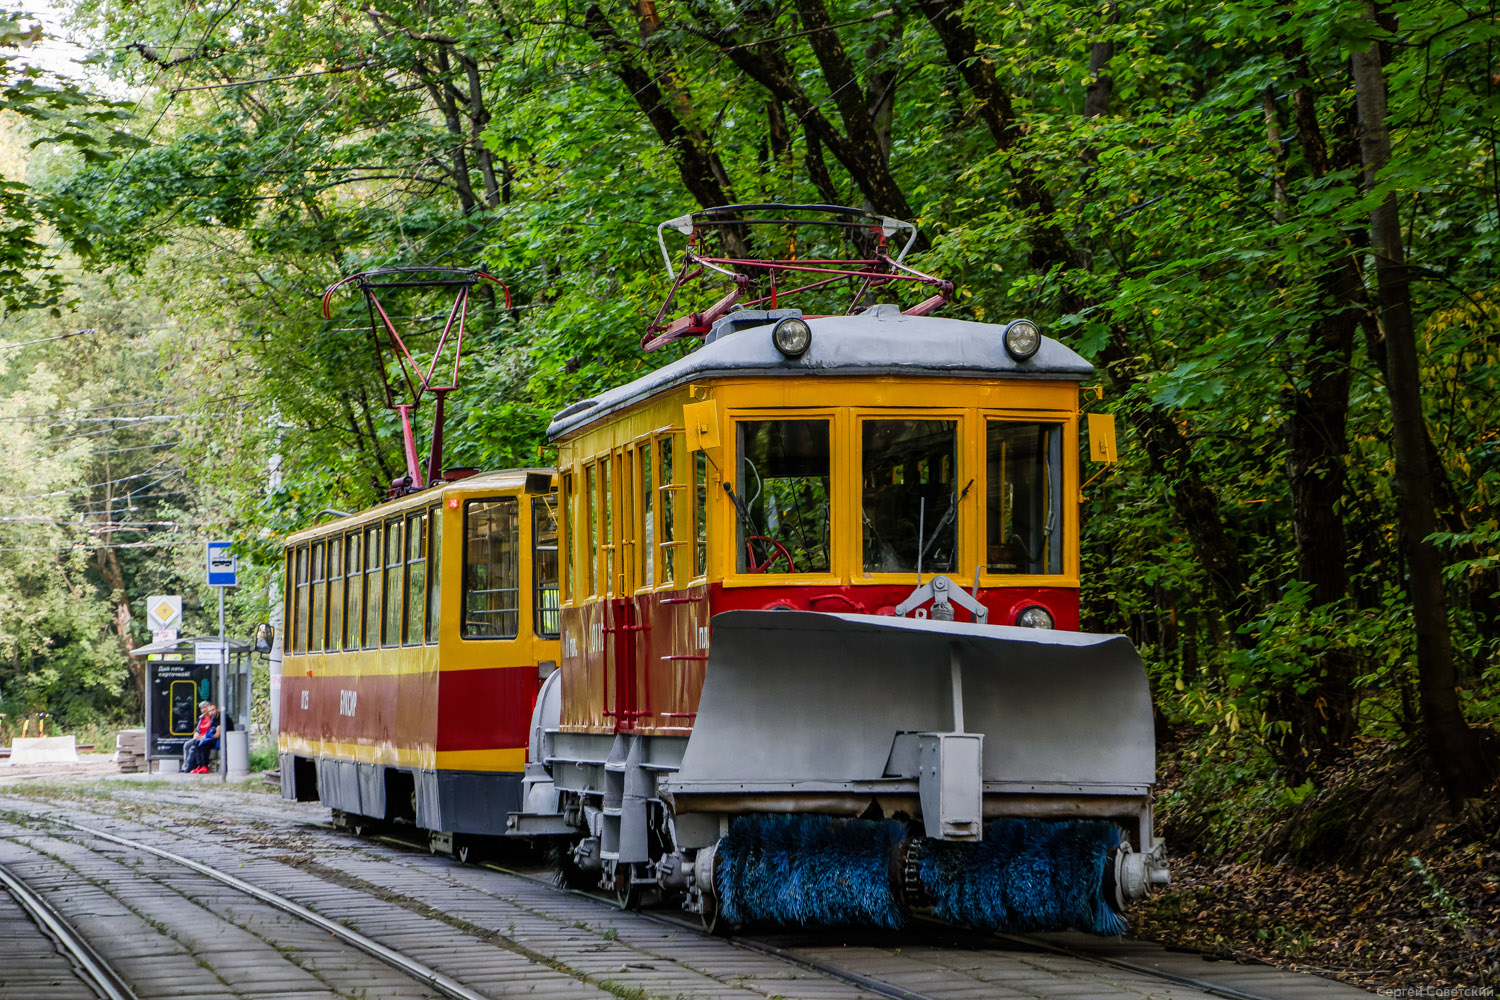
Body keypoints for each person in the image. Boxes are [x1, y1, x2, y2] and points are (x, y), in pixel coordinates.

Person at [183, 703, 220, 773]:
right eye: (201, 708)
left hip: (207, 738)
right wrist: (196, 734)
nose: (203, 709)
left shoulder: (212, 718)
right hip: (200, 737)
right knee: (188, 745)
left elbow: (213, 731)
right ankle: (190, 766)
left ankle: (200, 766)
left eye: (204, 707)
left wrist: (204, 736)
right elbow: (197, 728)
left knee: (200, 745)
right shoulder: (201, 718)